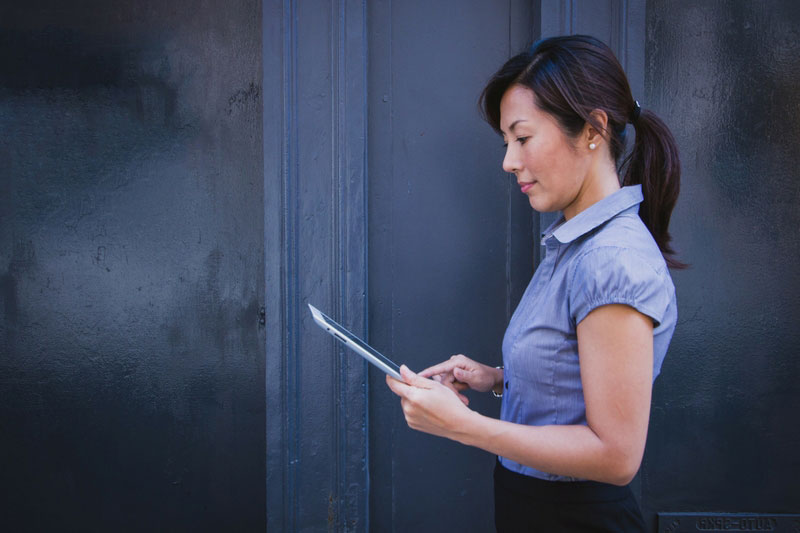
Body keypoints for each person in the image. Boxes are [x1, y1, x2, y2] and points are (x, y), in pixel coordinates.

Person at [386, 35, 683, 532]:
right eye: (507, 143)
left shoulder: (610, 259)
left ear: (593, 129)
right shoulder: (577, 243)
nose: (508, 161)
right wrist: (500, 378)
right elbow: (581, 376)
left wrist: (466, 427)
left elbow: (616, 456)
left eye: (522, 138)